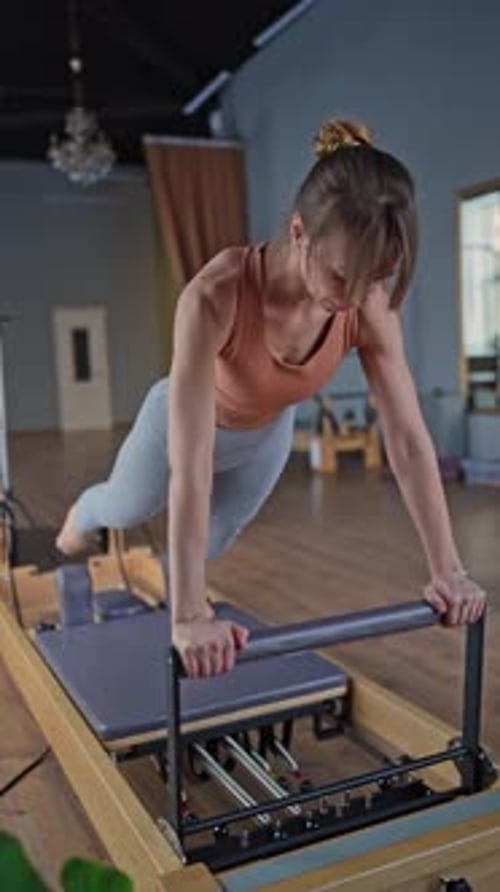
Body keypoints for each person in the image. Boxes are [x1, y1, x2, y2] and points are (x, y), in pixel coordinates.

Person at [56, 119, 487, 678]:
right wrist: (189, 614)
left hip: (266, 433)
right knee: (125, 506)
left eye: (375, 276)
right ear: (299, 231)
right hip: (182, 426)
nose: (354, 297)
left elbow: (406, 439)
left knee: (212, 540)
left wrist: (447, 568)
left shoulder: (369, 306)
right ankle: (80, 516)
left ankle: (162, 579)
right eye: (341, 275)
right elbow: (191, 466)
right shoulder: (216, 293)